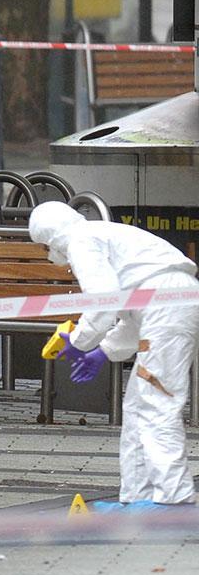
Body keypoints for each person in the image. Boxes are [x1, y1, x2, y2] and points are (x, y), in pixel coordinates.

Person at [29, 203, 198, 507]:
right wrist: (104, 351)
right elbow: (134, 319)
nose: (47, 255)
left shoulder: (80, 241)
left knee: (156, 403)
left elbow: (103, 300)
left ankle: (174, 498)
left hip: (166, 308)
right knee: (137, 404)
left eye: (43, 248)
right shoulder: (103, 235)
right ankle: (138, 496)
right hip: (167, 307)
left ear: (49, 239)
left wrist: (77, 341)